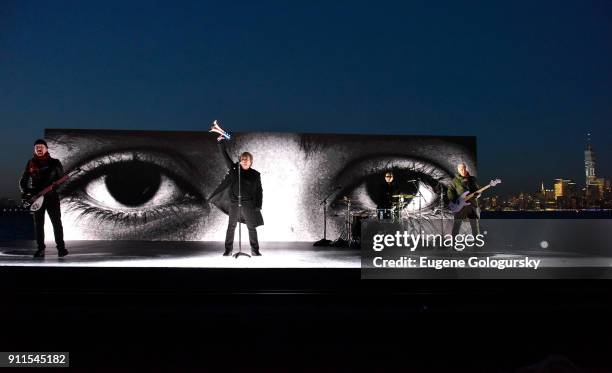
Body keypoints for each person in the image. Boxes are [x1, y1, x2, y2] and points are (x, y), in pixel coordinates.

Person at [208, 137, 263, 256]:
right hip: (234, 202)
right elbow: (225, 157)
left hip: (248, 203)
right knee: (231, 226)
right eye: (243, 159)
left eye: (247, 160)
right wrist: (220, 143)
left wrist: (258, 205)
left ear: (251, 161)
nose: (244, 161)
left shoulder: (255, 175)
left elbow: (259, 191)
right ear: (241, 160)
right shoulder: (235, 170)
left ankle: (255, 250)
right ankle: (228, 250)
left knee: (251, 227)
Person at [19, 139, 67, 258]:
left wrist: (55, 187)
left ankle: (61, 248)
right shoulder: (30, 163)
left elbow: (62, 180)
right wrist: (26, 193)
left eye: (41, 147)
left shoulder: (55, 163)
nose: (39, 149)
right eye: (36, 147)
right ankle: (40, 249)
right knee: (39, 225)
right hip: (36, 198)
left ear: (46, 148)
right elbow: (23, 181)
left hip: (52, 198)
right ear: (34, 150)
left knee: (56, 223)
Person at [447, 162, 480, 236]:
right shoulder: (455, 181)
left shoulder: (472, 179)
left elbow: (477, 190)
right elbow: (450, 191)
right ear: (458, 170)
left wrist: (477, 194)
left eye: (464, 169)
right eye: (461, 169)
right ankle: (454, 243)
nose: (463, 171)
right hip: (460, 206)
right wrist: (456, 201)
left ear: (466, 169)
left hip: (471, 205)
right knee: (457, 225)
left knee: (474, 225)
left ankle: (477, 243)